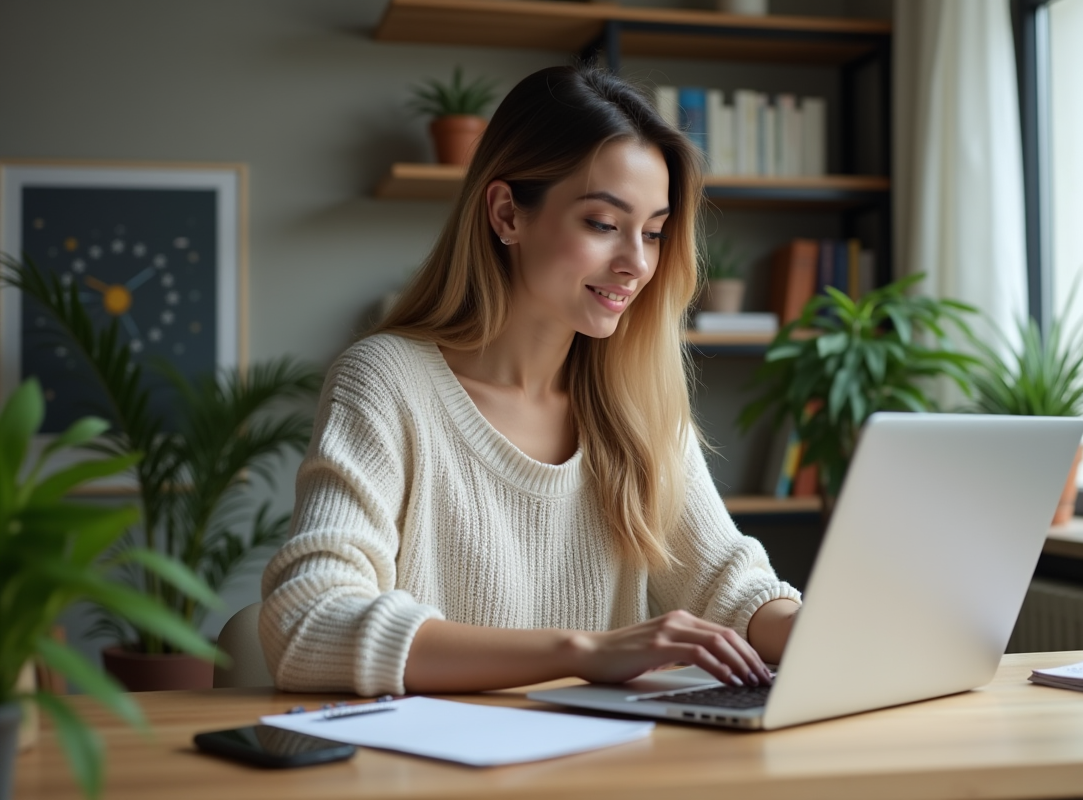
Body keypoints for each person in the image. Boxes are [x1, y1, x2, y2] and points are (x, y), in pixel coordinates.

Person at [259, 64, 801, 696]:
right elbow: (306, 622)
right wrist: (585, 652)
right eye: (603, 224)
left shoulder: (636, 403)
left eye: (653, 233)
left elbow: (729, 589)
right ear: (507, 213)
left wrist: (828, 630)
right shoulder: (386, 382)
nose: (636, 263)